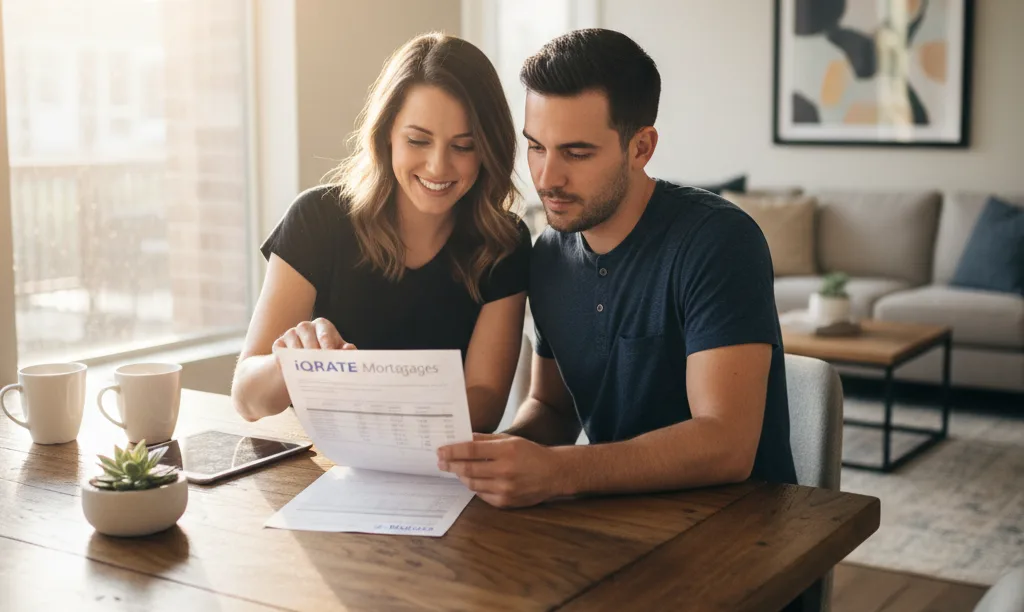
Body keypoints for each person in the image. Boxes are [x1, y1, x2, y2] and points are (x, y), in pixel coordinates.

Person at [437, 28, 798, 507]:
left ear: (641, 148)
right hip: (612, 520)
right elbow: (552, 408)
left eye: (577, 152)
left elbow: (727, 445)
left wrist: (560, 471)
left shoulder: (718, 241)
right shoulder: (548, 254)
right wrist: (498, 454)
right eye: (537, 146)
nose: (547, 178)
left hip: (740, 535)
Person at [231, 33, 532, 433]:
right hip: (322, 469)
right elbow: (247, 399)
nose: (438, 166)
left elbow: (483, 409)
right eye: (418, 141)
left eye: (463, 146)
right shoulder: (317, 219)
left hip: (437, 473)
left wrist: (356, 388)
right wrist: (296, 366)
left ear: (488, 149)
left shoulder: (503, 242)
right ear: (386, 135)